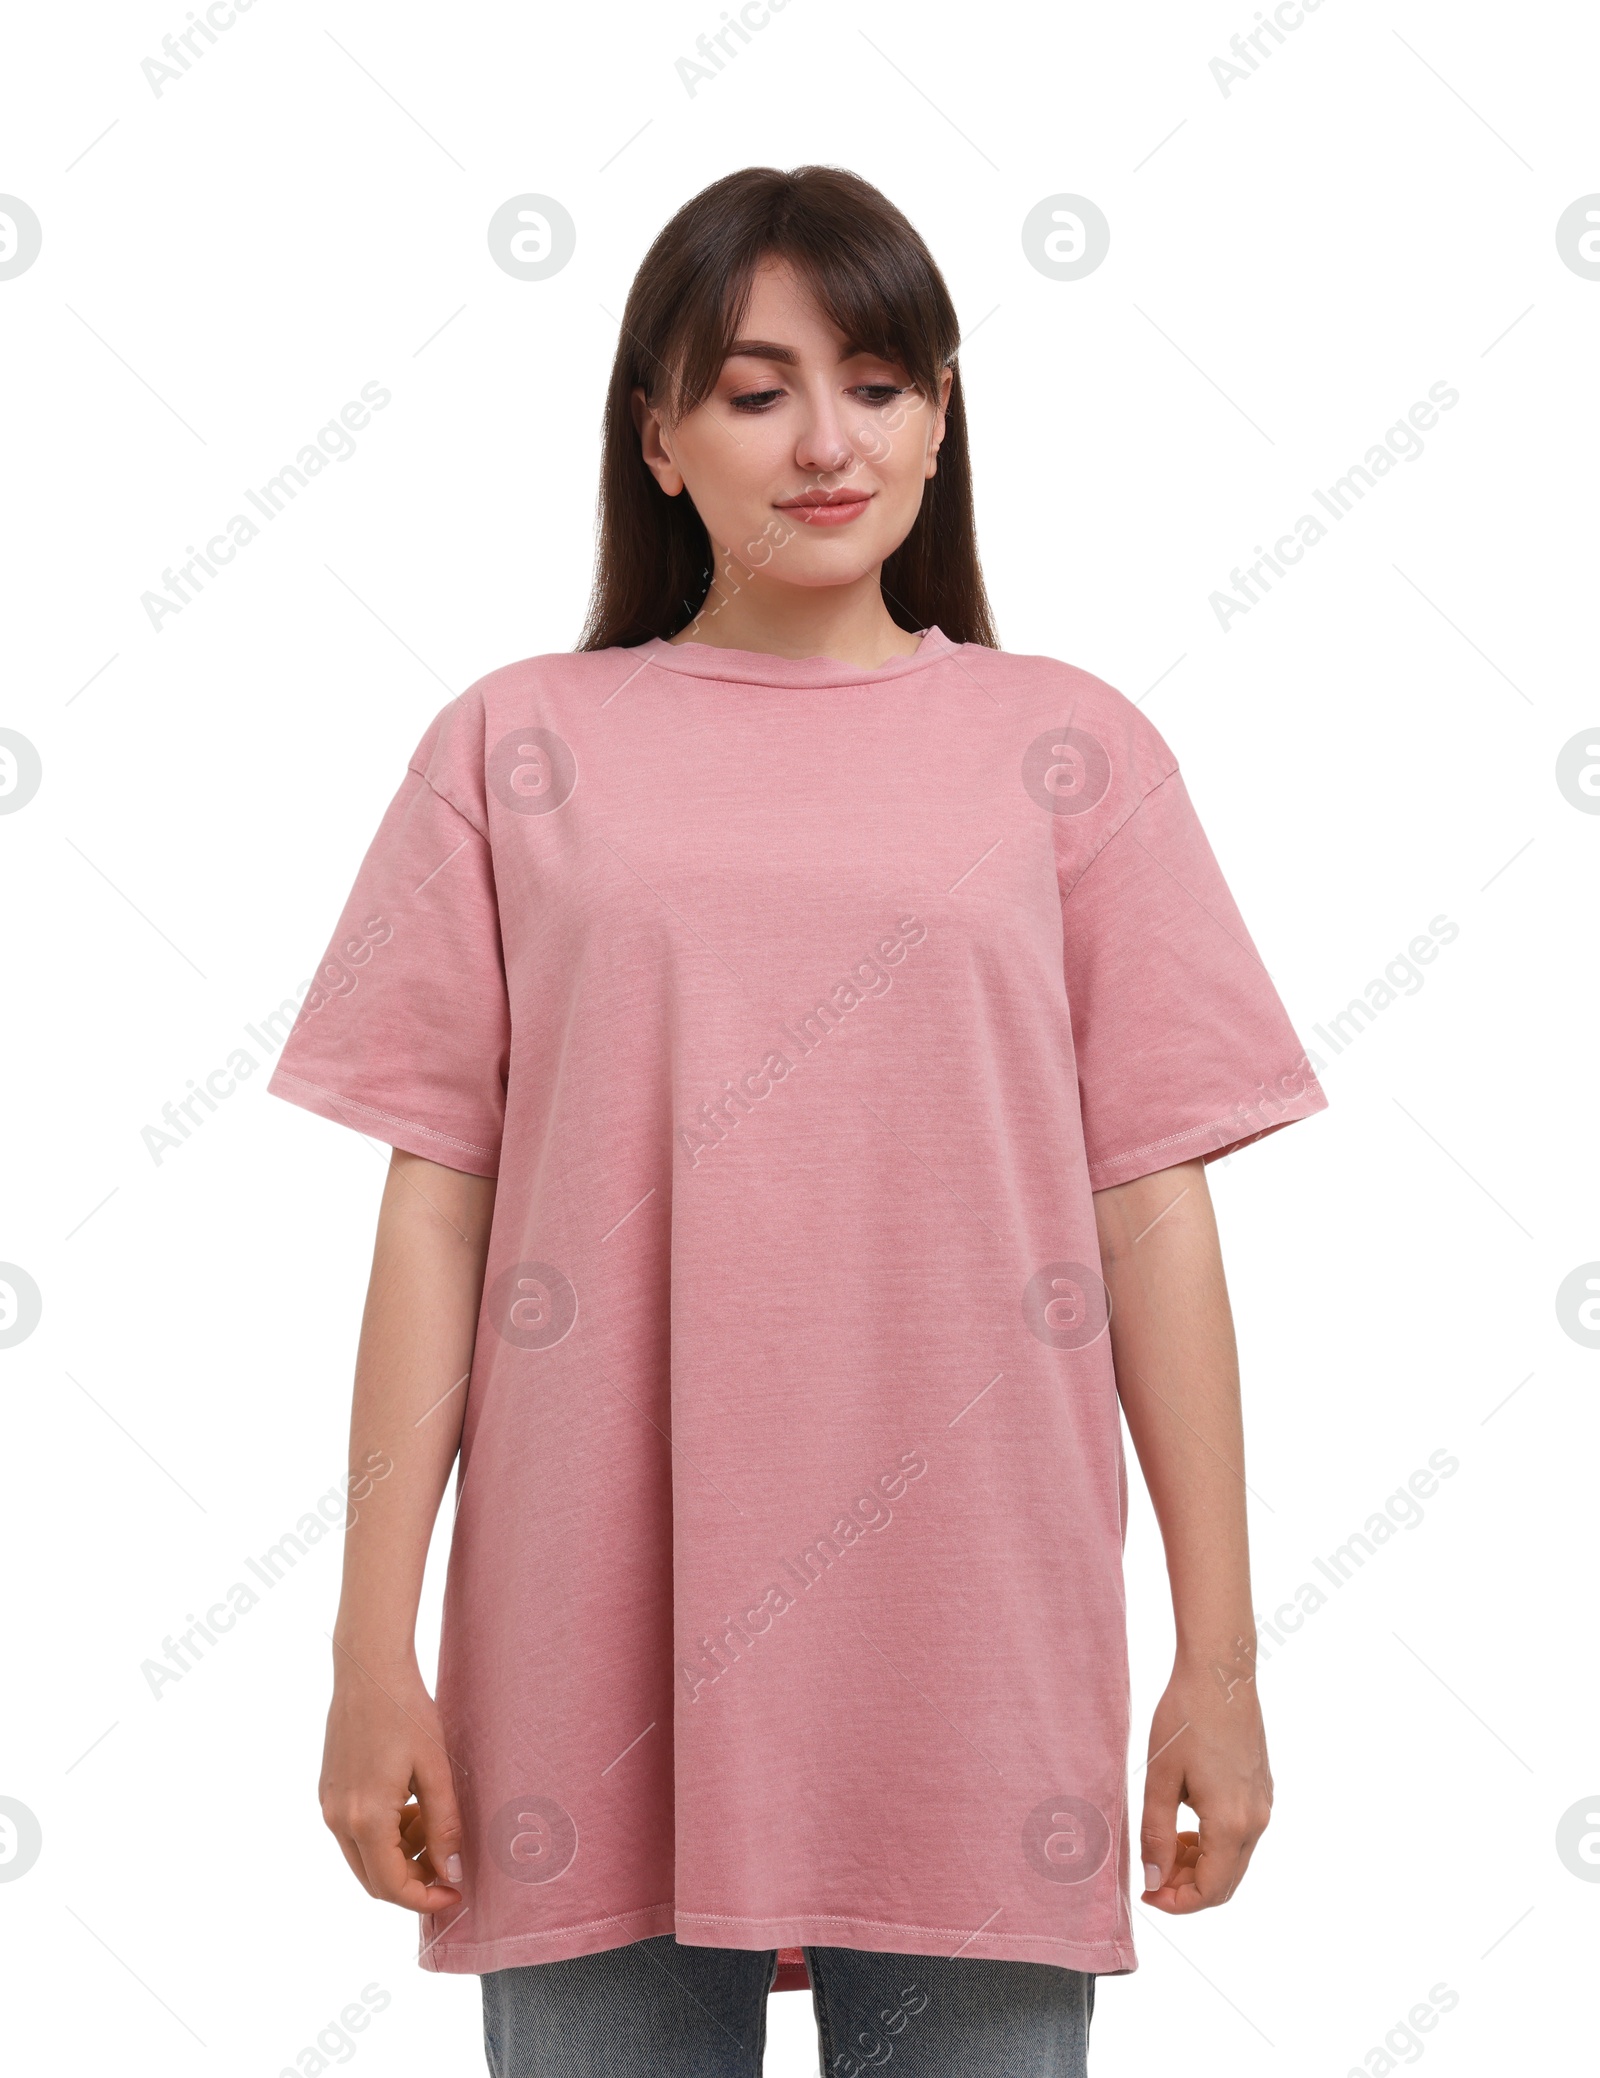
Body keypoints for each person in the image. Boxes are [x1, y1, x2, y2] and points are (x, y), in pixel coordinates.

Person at [267, 164, 1328, 2078]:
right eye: (755, 392)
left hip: (974, 1644)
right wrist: (367, 1648)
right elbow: (440, 1211)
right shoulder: (516, 749)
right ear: (658, 438)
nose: (828, 441)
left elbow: (1153, 1217)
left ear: (941, 419)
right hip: (584, 1648)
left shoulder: (1071, 752)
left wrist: (1222, 1661)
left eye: (880, 380)